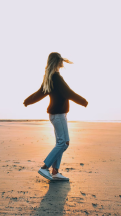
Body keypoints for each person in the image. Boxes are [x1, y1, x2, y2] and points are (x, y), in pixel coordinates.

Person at [23, 52, 88, 181]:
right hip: (58, 115)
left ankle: (55, 172)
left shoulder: (50, 77)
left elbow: (39, 93)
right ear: (58, 62)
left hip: (56, 115)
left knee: (62, 143)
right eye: (61, 60)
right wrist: (83, 101)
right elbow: (68, 93)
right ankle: (45, 167)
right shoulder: (56, 78)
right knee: (63, 143)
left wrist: (27, 101)